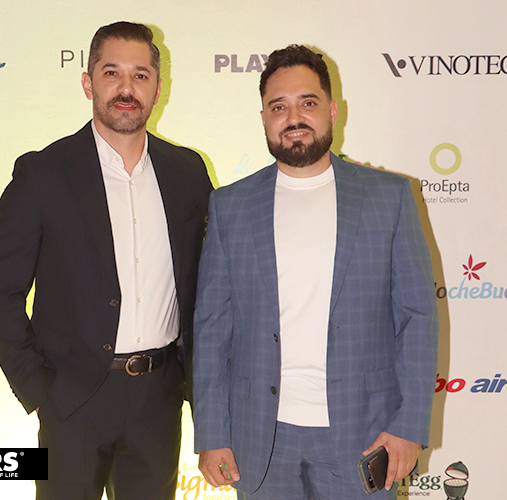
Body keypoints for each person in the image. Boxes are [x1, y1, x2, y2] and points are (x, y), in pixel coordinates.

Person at [0, 21, 212, 500]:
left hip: (158, 401)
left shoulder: (188, 173)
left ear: (158, 88)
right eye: (112, 73)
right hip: (72, 401)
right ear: (88, 83)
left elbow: (208, 282)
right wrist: (40, 391)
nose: (127, 88)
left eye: (140, 75)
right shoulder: (43, 174)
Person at [192, 44, 438, 499]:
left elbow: (417, 318)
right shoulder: (230, 206)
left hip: (364, 433)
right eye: (278, 107)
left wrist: (409, 425)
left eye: (307, 102)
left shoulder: (389, 198)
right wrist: (211, 433)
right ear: (263, 118)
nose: (294, 117)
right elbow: (211, 329)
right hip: (258, 438)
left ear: (332, 110)